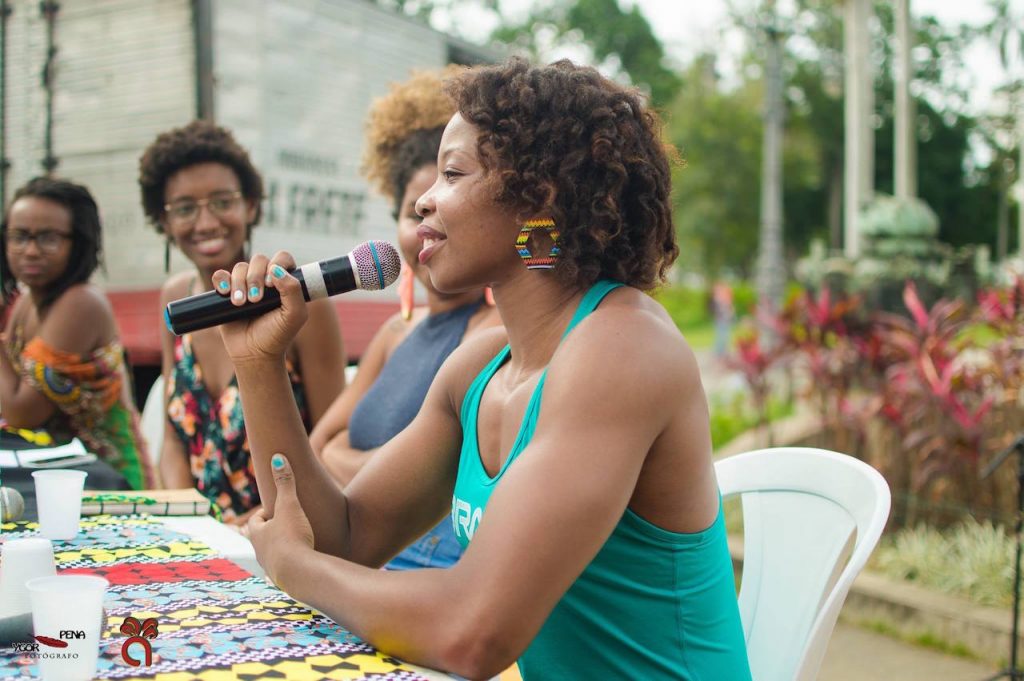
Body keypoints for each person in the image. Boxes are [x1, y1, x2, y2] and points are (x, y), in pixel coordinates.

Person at [220, 58, 751, 679]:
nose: (422, 200)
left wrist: (297, 569)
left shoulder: (624, 349)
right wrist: (259, 363)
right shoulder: (478, 367)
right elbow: (339, 536)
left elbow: (473, 636)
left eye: (452, 173)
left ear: (538, 197)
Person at [308, 68, 500, 570]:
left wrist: (344, 463)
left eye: (452, 181)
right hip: (361, 556)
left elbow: (431, 477)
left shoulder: (490, 337)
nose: (426, 222)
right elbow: (316, 446)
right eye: (413, 213)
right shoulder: (395, 335)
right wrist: (356, 466)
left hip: (423, 568)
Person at [138, 121, 346, 523]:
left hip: (286, 532)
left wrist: (256, 520)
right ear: (163, 222)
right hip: (201, 539)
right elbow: (174, 440)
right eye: (184, 208)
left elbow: (332, 444)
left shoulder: (298, 300)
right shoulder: (175, 300)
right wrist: (188, 517)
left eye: (222, 201)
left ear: (250, 205)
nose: (206, 222)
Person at [0, 177, 154, 490]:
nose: (30, 250)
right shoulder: (27, 300)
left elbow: (20, 413)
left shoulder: (80, 303)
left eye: (48, 238)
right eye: (19, 237)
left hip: (114, 486)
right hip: (62, 478)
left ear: (78, 242)